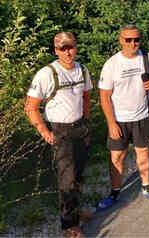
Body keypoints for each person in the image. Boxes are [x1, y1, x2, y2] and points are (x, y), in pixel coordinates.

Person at [25, 32, 93, 237]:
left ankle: (76, 212)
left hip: (81, 128)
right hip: (61, 131)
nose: (68, 52)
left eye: (70, 47)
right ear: (56, 50)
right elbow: (30, 106)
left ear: (76, 47)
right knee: (67, 180)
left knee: (79, 175)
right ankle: (69, 227)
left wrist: (86, 121)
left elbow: (86, 96)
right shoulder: (47, 73)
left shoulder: (82, 69)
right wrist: (45, 132)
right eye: (63, 48)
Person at [96, 25, 149, 210]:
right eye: (128, 40)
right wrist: (111, 123)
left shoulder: (148, 58)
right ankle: (115, 192)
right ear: (121, 40)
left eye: (136, 39)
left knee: (143, 153)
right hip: (119, 119)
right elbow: (104, 96)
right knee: (117, 157)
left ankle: (147, 186)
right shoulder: (112, 64)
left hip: (142, 117)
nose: (133, 43)